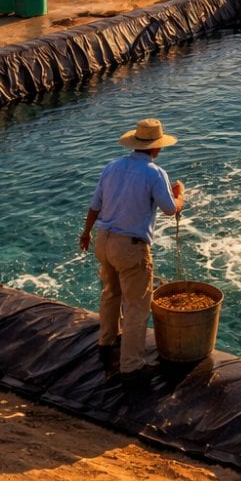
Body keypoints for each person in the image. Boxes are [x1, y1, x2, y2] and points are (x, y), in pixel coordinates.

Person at [79, 118, 184, 376]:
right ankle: (131, 366)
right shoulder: (155, 173)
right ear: (156, 148)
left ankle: (107, 342)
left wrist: (86, 234)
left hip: (104, 240)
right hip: (130, 247)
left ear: (135, 144)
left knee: (111, 293)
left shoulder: (112, 167)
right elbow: (170, 209)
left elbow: (95, 205)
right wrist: (180, 194)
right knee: (137, 306)